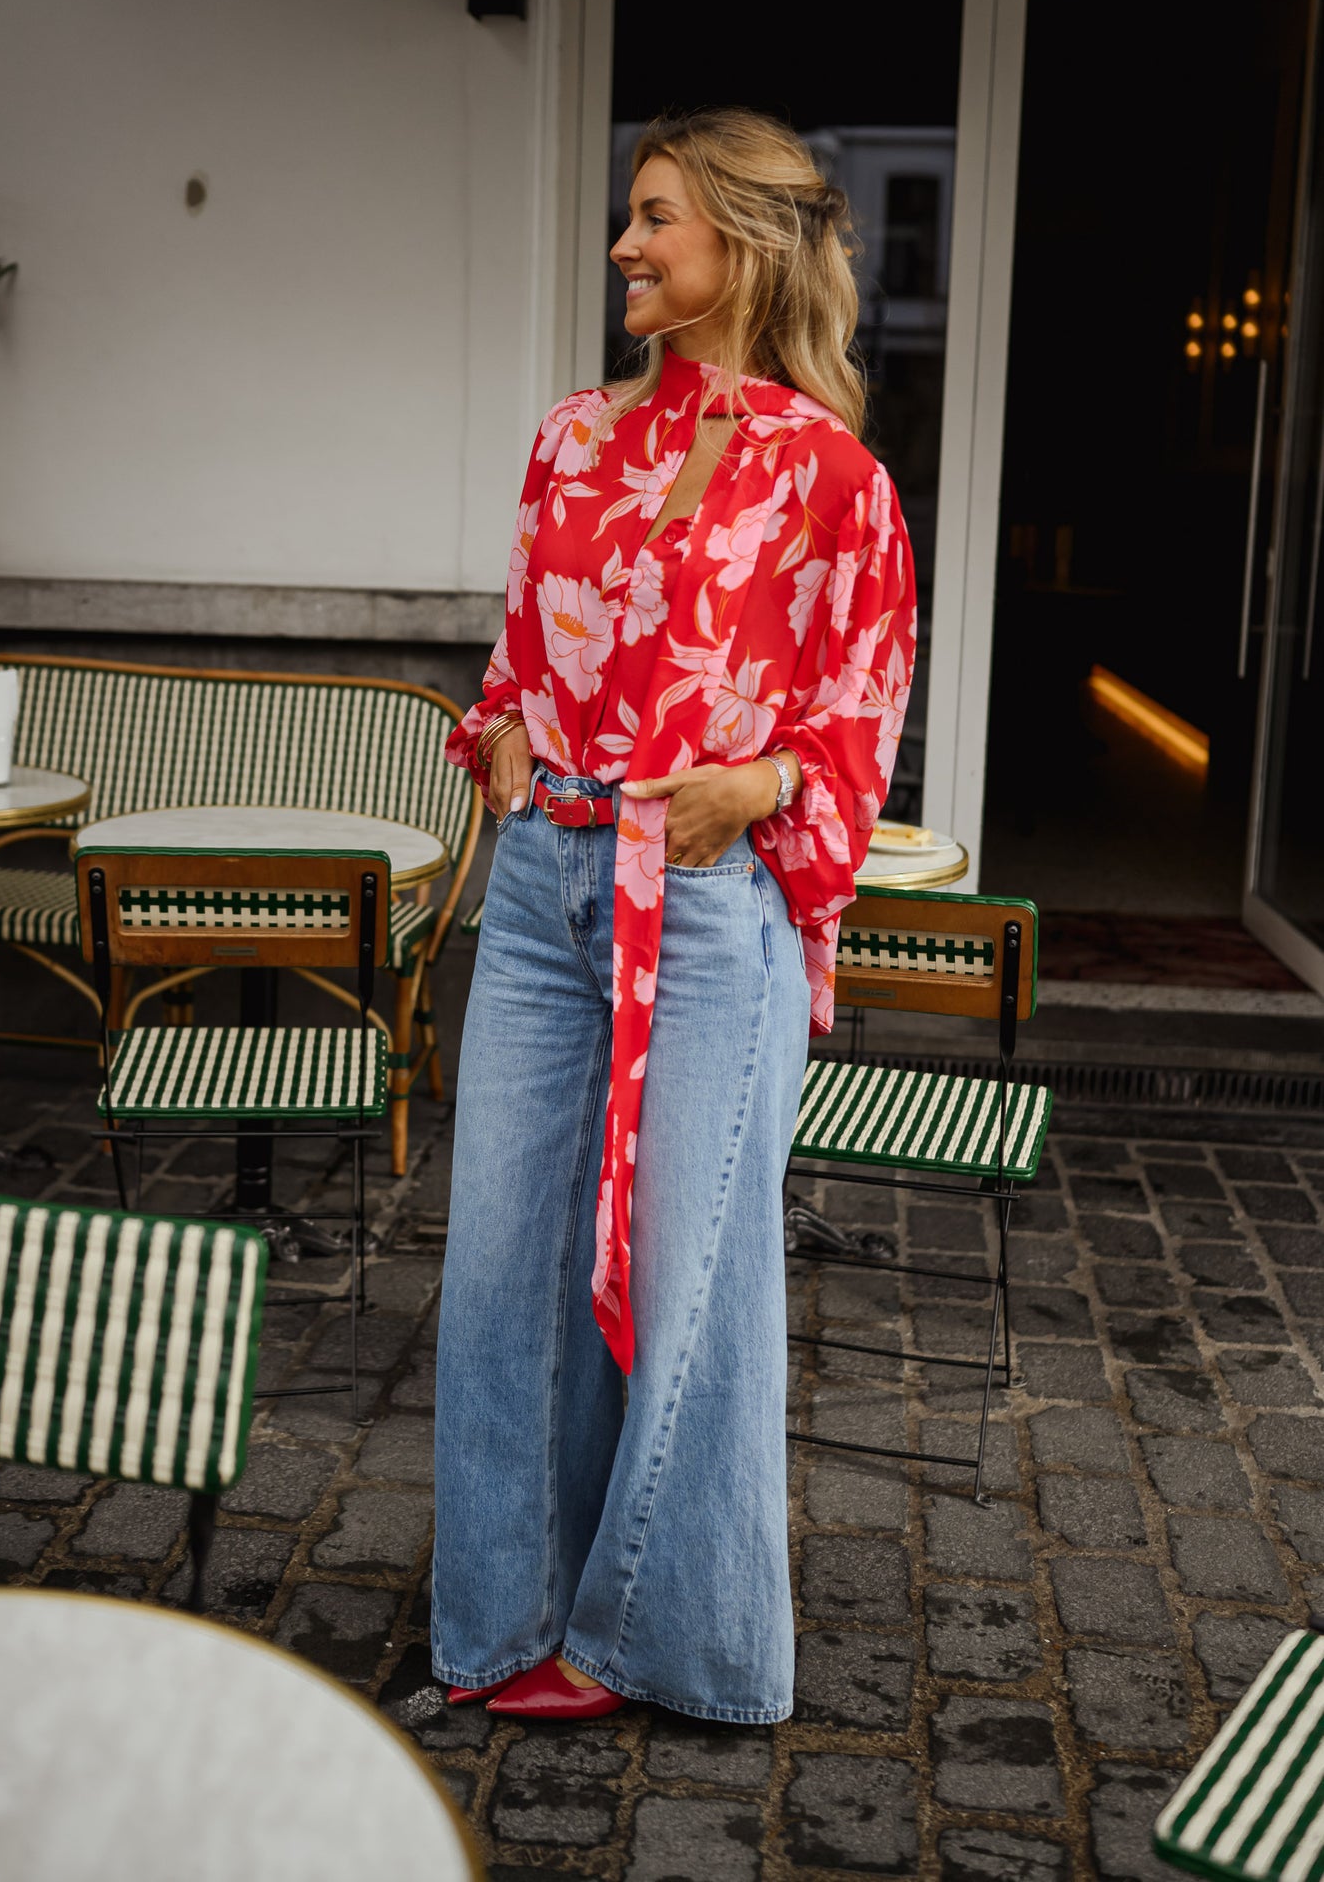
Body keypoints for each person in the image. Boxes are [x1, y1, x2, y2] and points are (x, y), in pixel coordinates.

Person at [432, 106, 917, 1725]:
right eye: (627, 219)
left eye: (657, 219)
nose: (626, 246)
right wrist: (498, 736)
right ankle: (498, 1618)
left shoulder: (829, 477)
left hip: (706, 915)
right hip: (541, 890)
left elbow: (858, 718)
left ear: (746, 244)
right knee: (502, 1266)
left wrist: (759, 787)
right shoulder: (569, 436)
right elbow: (516, 657)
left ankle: (659, 1639)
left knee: (689, 1280)